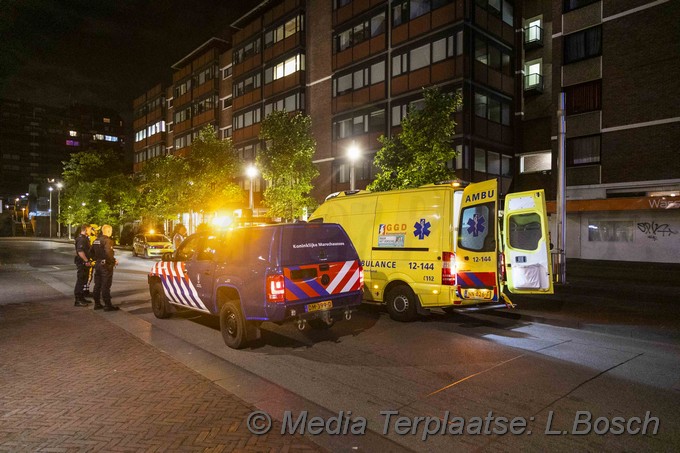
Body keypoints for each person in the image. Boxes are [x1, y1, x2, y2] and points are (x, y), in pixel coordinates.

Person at [92, 224, 119, 311]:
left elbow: (91, 252)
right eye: (110, 231)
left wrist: (96, 259)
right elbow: (108, 253)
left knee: (97, 284)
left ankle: (97, 304)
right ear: (108, 231)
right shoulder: (108, 241)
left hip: (98, 264)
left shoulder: (96, 240)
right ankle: (107, 305)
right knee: (106, 285)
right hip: (105, 265)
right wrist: (113, 261)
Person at [73, 224, 93, 307]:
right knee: (80, 281)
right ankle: (78, 300)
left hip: (85, 263)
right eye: (89, 229)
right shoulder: (81, 239)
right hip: (82, 263)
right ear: (85, 229)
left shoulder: (85, 238)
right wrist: (86, 261)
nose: (90, 231)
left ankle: (81, 298)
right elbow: (80, 251)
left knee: (84, 280)